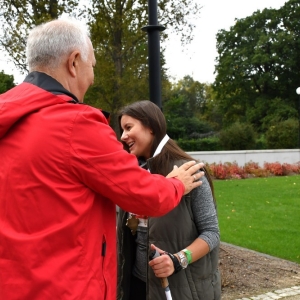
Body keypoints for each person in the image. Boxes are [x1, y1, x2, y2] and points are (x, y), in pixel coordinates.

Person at [0, 19, 205, 300]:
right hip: (67, 287)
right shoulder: (75, 124)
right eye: (92, 65)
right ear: (74, 62)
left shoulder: (8, 118)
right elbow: (144, 195)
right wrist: (177, 184)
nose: (92, 77)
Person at [117, 100, 221, 300]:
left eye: (129, 127)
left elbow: (212, 233)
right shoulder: (135, 175)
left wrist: (178, 260)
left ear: (151, 127)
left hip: (180, 290)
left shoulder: (190, 172)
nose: (123, 136)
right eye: (122, 130)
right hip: (137, 286)